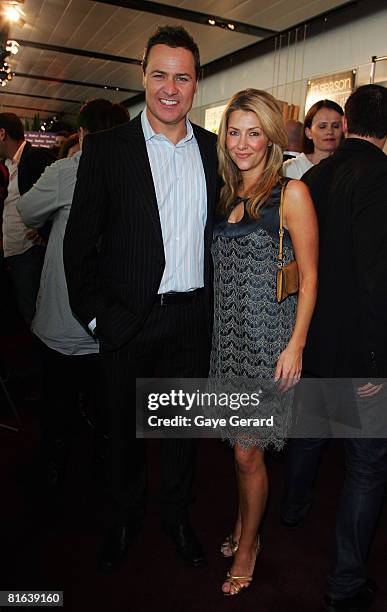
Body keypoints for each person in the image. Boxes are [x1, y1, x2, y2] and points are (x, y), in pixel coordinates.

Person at [63, 26, 218, 572]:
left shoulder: (215, 151)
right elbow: (77, 247)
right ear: (142, 77)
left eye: (182, 76)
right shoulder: (107, 150)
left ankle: (175, 516)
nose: (169, 88)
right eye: (159, 75)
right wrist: (99, 318)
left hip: (192, 319)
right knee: (124, 432)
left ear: (197, 83)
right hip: (127, 321)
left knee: (180, 433)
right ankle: (126, 515)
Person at [281, 84, 387, 612]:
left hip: (312, 335)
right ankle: (345, 580)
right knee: (366, 464)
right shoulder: (379, 176)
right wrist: (375, 358)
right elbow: (375, 277)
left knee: (309, 434)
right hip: (358, 347)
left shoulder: (315, 176)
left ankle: (292, 511)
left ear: (347, 125)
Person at [210, 88, 318, 595]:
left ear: (272, 137)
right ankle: (241, 524)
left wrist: (295, 345)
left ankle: (249, 545)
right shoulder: (229, 193)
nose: (243, 143)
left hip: (268, 346)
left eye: (255, 133)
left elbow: (312, 278)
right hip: (228, 343)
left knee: (248, 455)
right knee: (239, 450)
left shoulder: (290, 194)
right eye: (235, 131)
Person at [17, 99, 130, 491]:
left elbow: (28, 211)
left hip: (65, 319)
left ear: (81, 134)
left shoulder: (69, 171)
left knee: (57, 407)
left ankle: (54, 471)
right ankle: (103, 472)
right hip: (111, 320)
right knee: (107, 409)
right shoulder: (134, 176)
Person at [0, 113, 55, 326]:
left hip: (31, 253)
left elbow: (55, 195)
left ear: (2, 133)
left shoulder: (36, 157)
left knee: (35, 316)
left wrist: (43, 229)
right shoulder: (9, 165)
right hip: (16, 253)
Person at [282, 100, 343, 179]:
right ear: (308, 132)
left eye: (335, 126)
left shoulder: (349, 167)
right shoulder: (289, 169)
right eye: (322, 126)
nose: (330, 131)